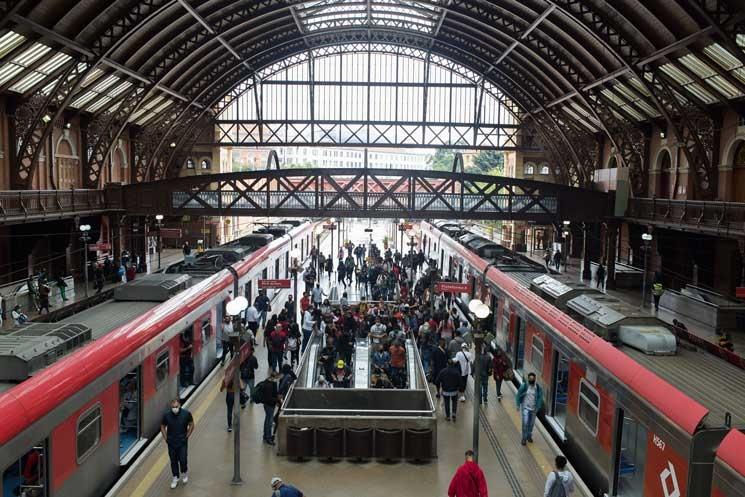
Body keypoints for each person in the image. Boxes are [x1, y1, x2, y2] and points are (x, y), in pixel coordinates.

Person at [160, 399, 194, 489]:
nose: (174, 408)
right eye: (173, 407)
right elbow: (162, 426)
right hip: (171, 442)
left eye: (176, 407)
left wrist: (187, 436)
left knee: (183, 459)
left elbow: (191, 424)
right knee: (173, 460)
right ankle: (175, 477)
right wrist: (166, 438)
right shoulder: (166, 415)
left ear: (180, 405)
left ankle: (184, 472)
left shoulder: (186, 414)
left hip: (182, 441)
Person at [516, 372, 543, 445]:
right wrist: (518, 405)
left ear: (535, 379)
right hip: (525, 408)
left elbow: (540, 397)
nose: (531, 380)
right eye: (530, 378)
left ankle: (529, 436)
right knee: (525, 423)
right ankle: (524, 438)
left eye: (533, 379)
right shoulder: (524, 386)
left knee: (531, 424)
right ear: (528, 379)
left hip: (533, 409)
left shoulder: (537, 388)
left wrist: (538, 406)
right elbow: (518, 395)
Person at [260, 370, 280, 445]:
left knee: (267, 419)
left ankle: (265, 435)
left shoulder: (268, 382)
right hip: (269, 405)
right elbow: (269, 397)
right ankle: (268, 438)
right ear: (273, 377)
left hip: (267, 404)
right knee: (269, 421)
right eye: (277, 378)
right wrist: (277, 400)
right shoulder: (269, 385)